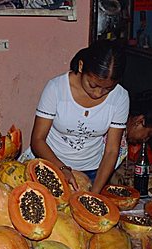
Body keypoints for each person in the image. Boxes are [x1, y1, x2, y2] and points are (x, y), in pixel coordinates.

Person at [29, 39, 128, 194]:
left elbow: (111, 151)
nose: (98, 93)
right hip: (52, 165)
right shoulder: (56, 88)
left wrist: (94, 193)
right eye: (93, 85)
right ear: (81, 67)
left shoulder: (120, 97)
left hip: (94, 172)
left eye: (107, 89)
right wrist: (61, 168)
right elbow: (37, 140)